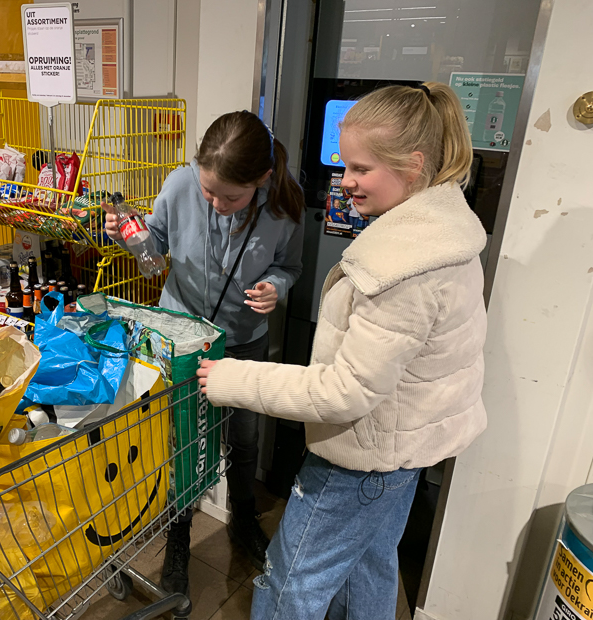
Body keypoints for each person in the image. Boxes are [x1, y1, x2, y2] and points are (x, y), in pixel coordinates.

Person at [197, 82, 488, 620]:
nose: (345, 181)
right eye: (343, 165)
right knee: (369, 567)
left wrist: (231, 379)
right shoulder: (447, 232)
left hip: (362, 458)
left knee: (290, 584)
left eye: (360, 169)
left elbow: (343, 391)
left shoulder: (400, 265)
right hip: (406, 448)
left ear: (414, 164)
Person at [104, 110, 305, 608]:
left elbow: (290, 266)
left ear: (261, 181)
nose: (214, 205)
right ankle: (178, 543)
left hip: (242, 342)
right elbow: (154, 249)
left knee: (243, 436)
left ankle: (243, 518)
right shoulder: (179, 185)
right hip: (181, 338)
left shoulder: (284, 205)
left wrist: (275, 288)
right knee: (183, 443)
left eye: (230, 198)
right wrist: (126, 235)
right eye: (208, 191)